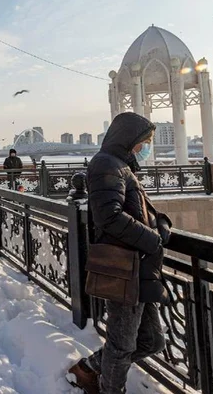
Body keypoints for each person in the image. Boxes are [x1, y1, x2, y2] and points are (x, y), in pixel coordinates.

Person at [67, 112, 171, 394]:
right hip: (123, 269)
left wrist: (160, 221)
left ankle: (87, 369)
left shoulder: (121, 166)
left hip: (139, 271)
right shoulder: (105, 165)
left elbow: (136, 207)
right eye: (145, 141)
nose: (147, 147)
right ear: (130, 139)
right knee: (122, 346)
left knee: (151, 341)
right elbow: (108, 217)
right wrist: (151, 239)